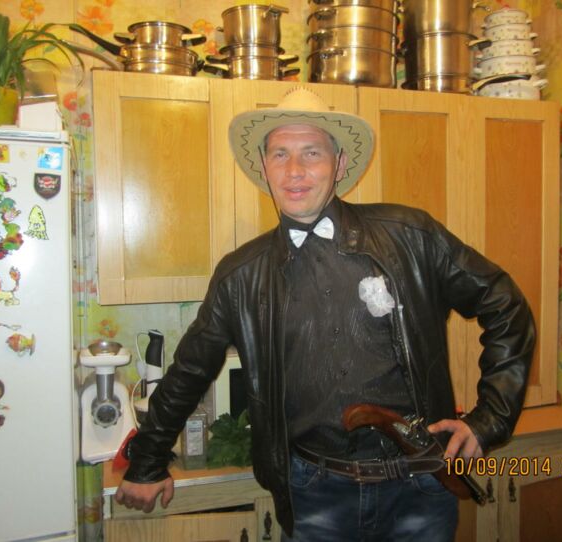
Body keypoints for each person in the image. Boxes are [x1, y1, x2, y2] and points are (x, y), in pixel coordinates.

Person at [115, 88, 536, 541]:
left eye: (311, 152)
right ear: (264, 168)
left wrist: (489, 419)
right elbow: (190, 370)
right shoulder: (241, 275)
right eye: (280, 154)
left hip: (421, 486)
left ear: (339, 164)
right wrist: (147, 462)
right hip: (313, 494)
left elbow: (505, 305)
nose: (294, 170)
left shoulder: (410, 236)